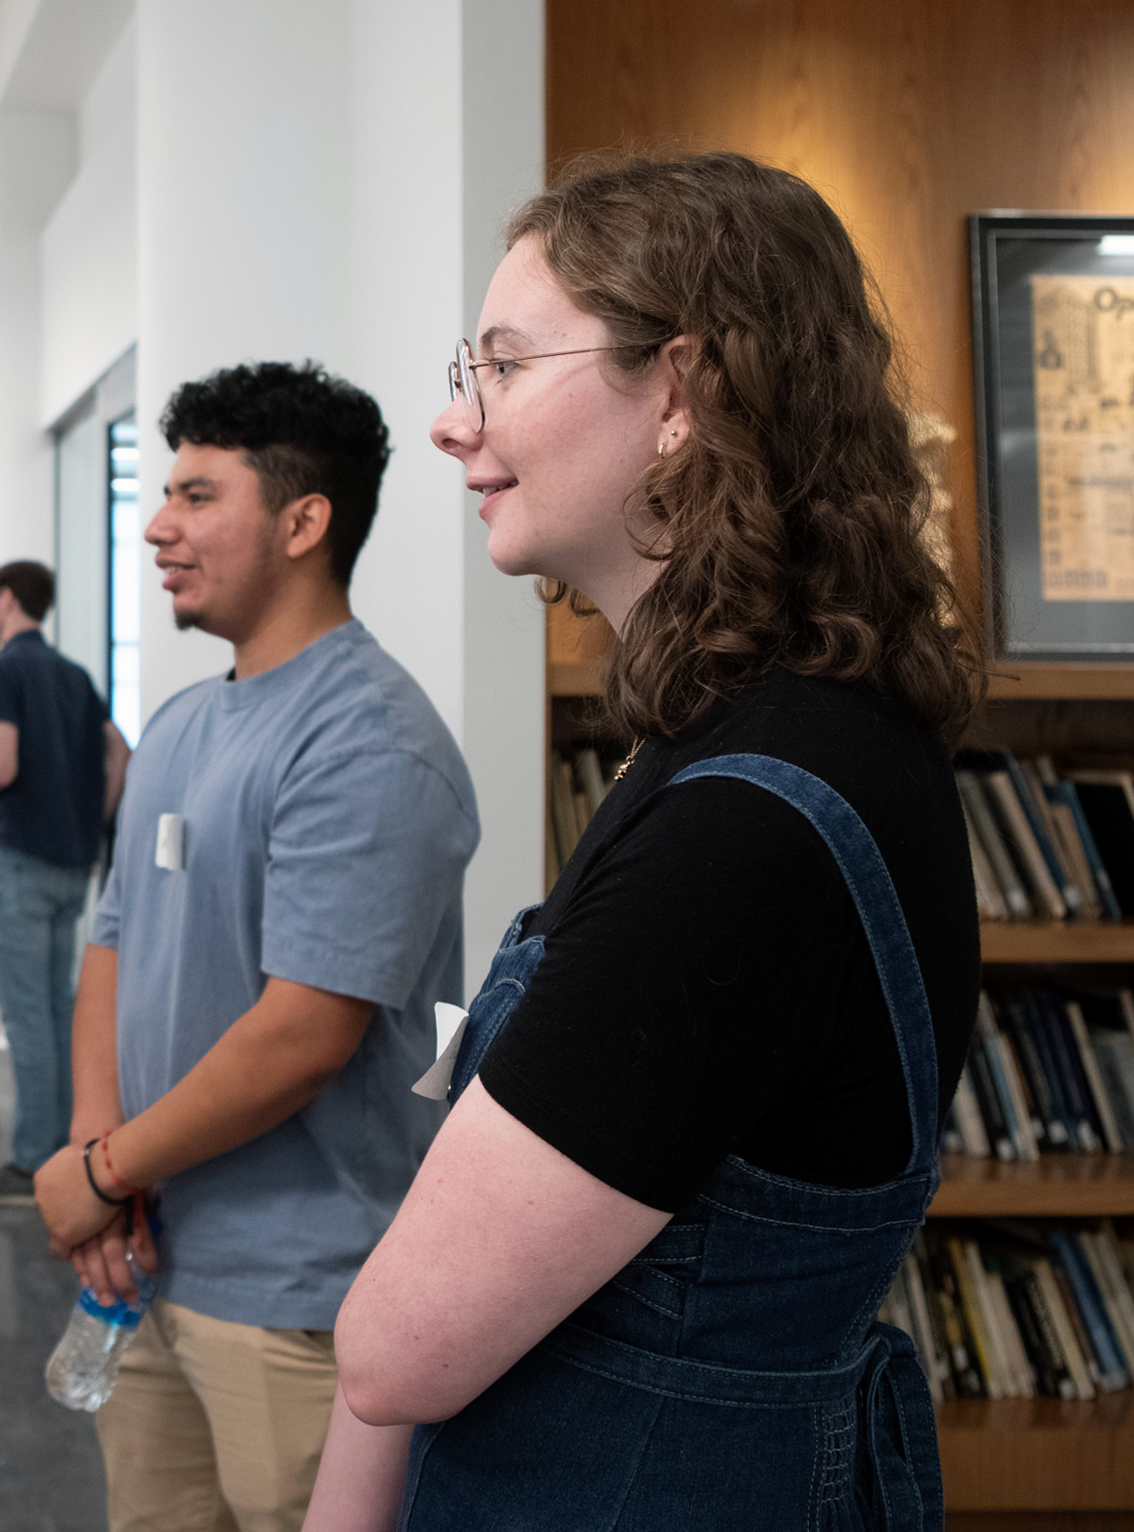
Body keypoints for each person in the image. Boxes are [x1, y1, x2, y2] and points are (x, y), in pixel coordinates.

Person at [311, 153, 979, 1532]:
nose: (449, 421)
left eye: (499, 363)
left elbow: (396, 1344)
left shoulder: (743, 828)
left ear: (678, 391)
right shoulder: (781, 736)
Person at [34, 362, 479, 1532]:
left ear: (301, 520)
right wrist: (98, 1162)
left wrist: (100, 1172)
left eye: (193, 495)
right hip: (143, 1265)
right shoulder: (181, 723)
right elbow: (112, 947)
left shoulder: (369, 741)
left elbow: (300, 1036)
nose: (156, 526)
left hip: (296, 1295)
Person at [0, 561, 129, 1202]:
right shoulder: (73, 675)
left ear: (6, 600)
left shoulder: (4, 670)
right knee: (58, 1013)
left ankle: (32, 1163)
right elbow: (121, 754)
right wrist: (93, 822)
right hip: (69, 866)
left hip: (22, 862)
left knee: (28, 1019)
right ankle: (62, 1150)